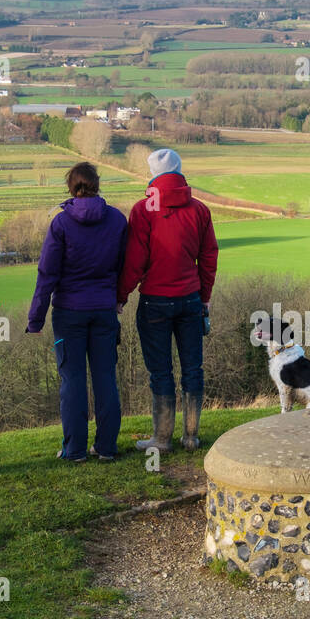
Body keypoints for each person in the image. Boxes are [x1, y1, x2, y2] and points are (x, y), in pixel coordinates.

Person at [117, 148, 218, 452]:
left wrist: (120, 296)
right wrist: (205, 296)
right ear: (179, 170)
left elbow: (135, 260)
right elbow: (209, 255)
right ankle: (191, 436)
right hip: (189, 299)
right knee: (193, 369)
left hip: (154, 302)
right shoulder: (200, 209)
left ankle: (161, 439)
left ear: (152, 174)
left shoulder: (143, 209)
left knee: (160, 371)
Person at [26, 162, 128, 463]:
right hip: (104, 310)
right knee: (106, 377)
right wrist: (118, 298)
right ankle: (107, 447)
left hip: (69, 312)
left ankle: (75, 450)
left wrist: (36, 318)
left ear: (71, 187)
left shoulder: (61, 224)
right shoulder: (117, 220)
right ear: (97, 184)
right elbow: (125, 264)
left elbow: (47, 273)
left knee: (72, 381)